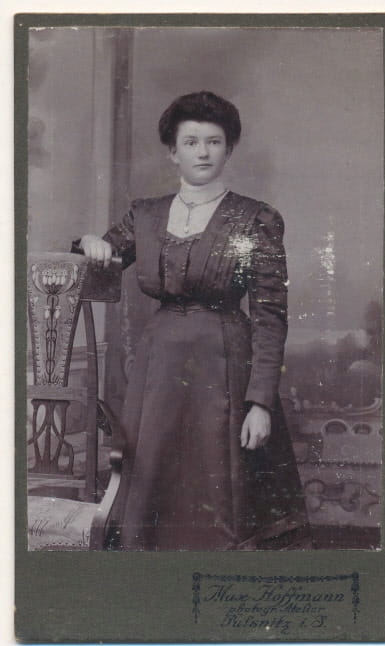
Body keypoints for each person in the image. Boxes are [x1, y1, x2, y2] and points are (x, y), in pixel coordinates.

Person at [75, 90, 311, 551]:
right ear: (173, 152)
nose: (203, 152)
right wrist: (88, 243)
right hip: (158, 370)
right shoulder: (144, 215)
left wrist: (260, 403)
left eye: (214, 142)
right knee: (151, 489)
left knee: (223, 498)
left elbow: (270, 317)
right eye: (191, 142)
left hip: (226, 368)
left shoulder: (255, 219)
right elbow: (98, 270)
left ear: (229, 148)